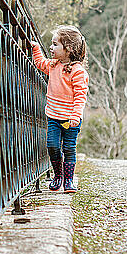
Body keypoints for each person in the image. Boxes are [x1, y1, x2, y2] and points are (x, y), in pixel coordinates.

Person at [31, 26, 89, 193]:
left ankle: (69, 181)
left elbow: (80, 96)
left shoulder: (78, 72)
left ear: (68, 49)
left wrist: (76, 115)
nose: (51, 47)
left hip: (71, 119)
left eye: (55, 44)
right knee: (52, 146)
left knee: (69, 148)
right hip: (54, 117)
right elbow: (40, 63)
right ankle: (58, 176)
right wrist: (35, 48)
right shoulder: (53, 65)